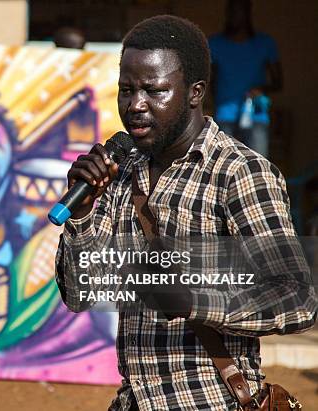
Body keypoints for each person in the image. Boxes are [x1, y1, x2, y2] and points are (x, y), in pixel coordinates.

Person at [55, 15, 316, 410]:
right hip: (134, 400)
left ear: (194, 92)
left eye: (153, 90)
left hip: (209, 401)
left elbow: (297, 298)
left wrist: (194, 299)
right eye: (126, 90)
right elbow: (81, 292)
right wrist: (83, 213)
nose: (136, 105)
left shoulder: (239, 173)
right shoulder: (120, 169)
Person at [209, 0, 282, 158]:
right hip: (224, 118)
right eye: (232, 11)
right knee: (224, 167)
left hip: (256, 116)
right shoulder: (215, 44)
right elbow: (209, 81)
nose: (236, 16)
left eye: (240, 11)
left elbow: (278, 82)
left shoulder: (265, 43)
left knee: (258, 167)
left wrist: (261, 89)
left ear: (248, 14)